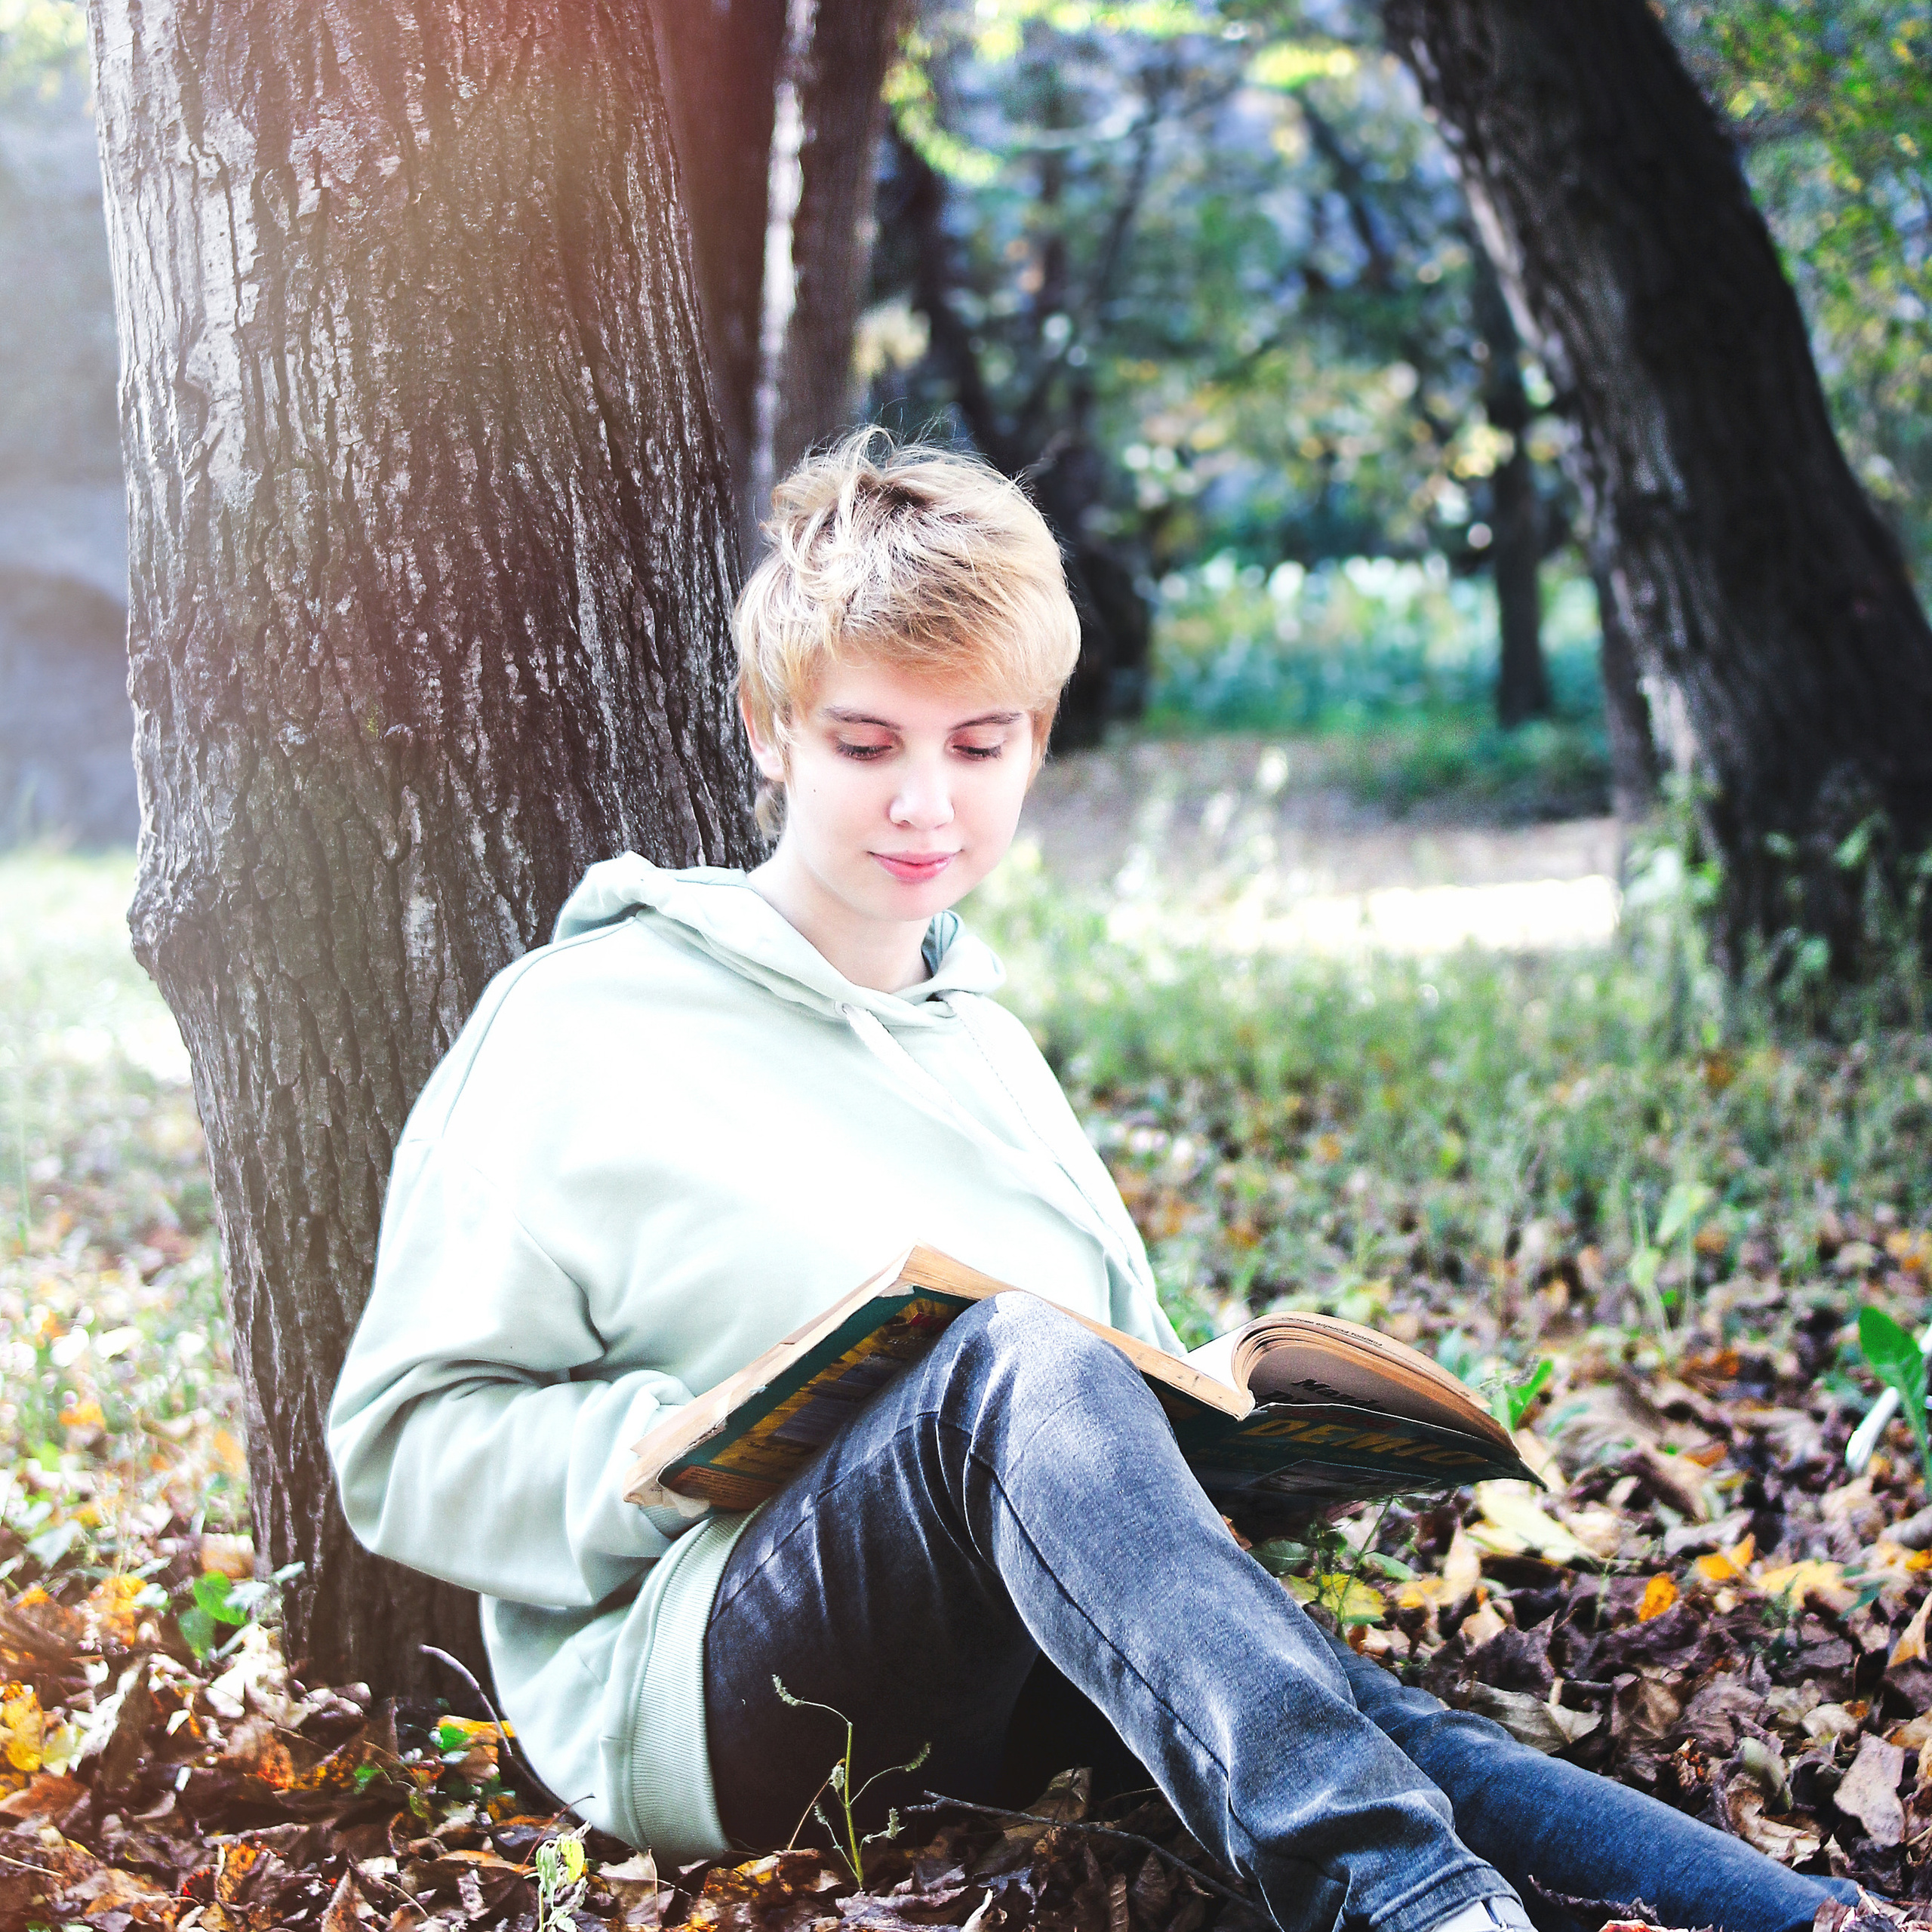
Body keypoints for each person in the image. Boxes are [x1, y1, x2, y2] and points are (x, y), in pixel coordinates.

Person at [328, 432, 1854, 1932]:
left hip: (1019, 1659)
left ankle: (1815, 1919)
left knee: (1351, 1705)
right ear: (764, 729)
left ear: (1035, 740)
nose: (925, 802)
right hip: (716, 1675)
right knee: (1010, 1353)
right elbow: (400, 1443)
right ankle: (1407, 1905)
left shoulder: (986, 1046)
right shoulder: (581, 1019)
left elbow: (1100, 1405)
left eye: (979, 746)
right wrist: (662, 1438)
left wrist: (1247, 1457)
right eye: (867, 744)